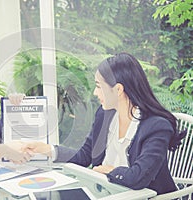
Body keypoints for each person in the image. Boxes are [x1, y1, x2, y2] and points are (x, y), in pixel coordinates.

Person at [26, 52, 185, 195]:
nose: (95, 93)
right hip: (108, 192)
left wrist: (111, 171)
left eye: (98, 86)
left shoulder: (157, 127)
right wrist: (49, 150)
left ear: (118, 90)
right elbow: (84, 157)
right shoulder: (105, 115)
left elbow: (138, 178)